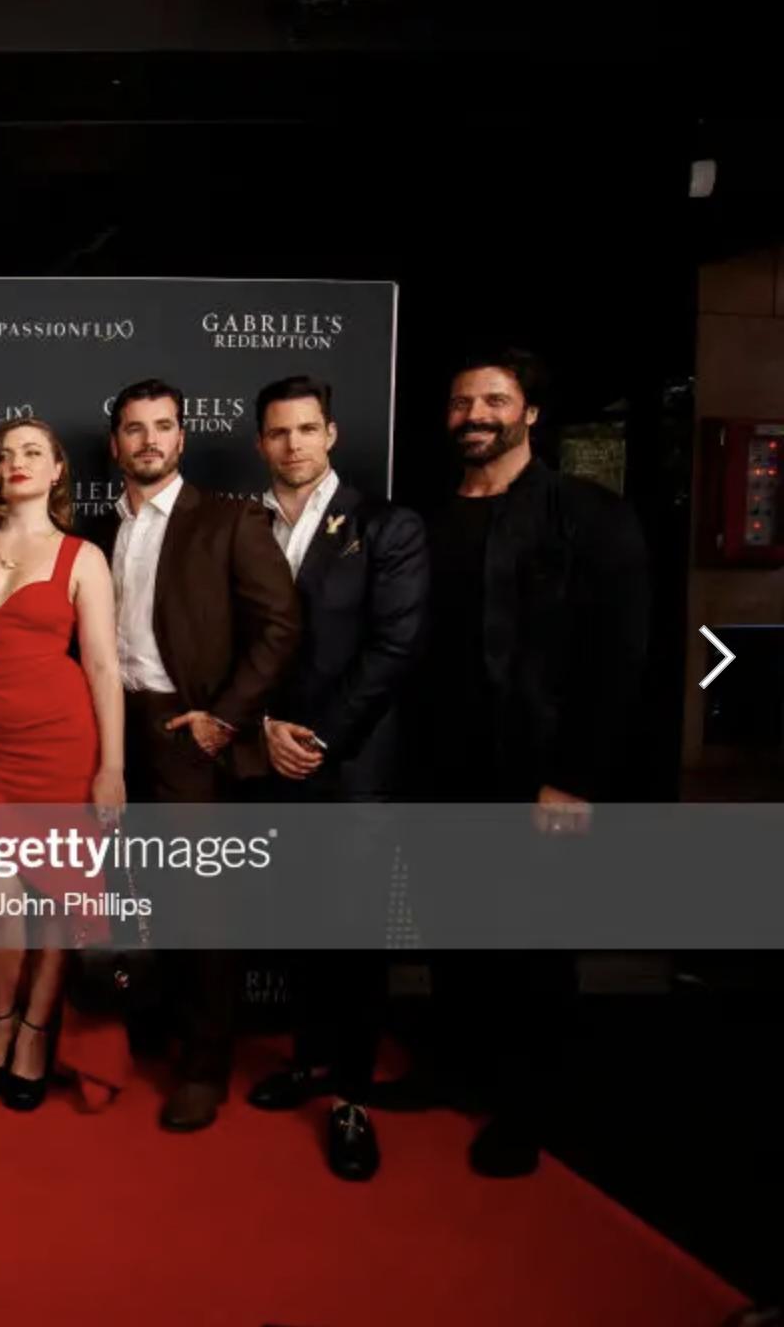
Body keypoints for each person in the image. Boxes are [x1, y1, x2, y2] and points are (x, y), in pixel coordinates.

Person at [399, 346, 648, 1178]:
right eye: (462, 401)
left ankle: (526, 1110)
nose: (475, 415)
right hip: (436, 765)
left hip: (536, 770)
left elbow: (619, 658)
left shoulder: (590, 516)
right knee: (449, 931)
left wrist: (577, 776)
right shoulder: (424, 519)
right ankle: (453, 1073)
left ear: (530, 413)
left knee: (532, 946)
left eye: (494, 401)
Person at [95, 378, 300, 1133]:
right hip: (119, 727)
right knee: (135, 894)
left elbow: (281, 627)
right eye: (134, 428)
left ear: (183, 438)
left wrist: (227, 716)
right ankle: (152, 1032)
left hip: (191, 733)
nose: (149, 440)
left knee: (200, 907)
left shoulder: (229, 520)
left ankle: (205, 1066)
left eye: (163, 427)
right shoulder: (101, 526)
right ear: (115, 443)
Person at [237, 377, 428, 1181]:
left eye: (307, 430)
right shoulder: (244, 525)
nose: (293, 445)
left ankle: (351, 1098)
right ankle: (311, 1063)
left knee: (352, 941)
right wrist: (262, 729)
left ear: (332, 434)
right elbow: (236, 643)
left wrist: (314, 738)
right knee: (300, 926)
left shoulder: (389, 526)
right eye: (279, 433)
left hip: (349, 768)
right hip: (273, 757)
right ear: (261, 443)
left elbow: (394, 649)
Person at [0, 418, 128, 1114]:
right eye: (6, 454)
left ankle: (32, 1032)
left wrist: (111, 766)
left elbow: (105, 666)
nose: (17, 462)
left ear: (57, 470)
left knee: (59, 902)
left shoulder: (81, 556)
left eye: (33, 452)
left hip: (63, 745)